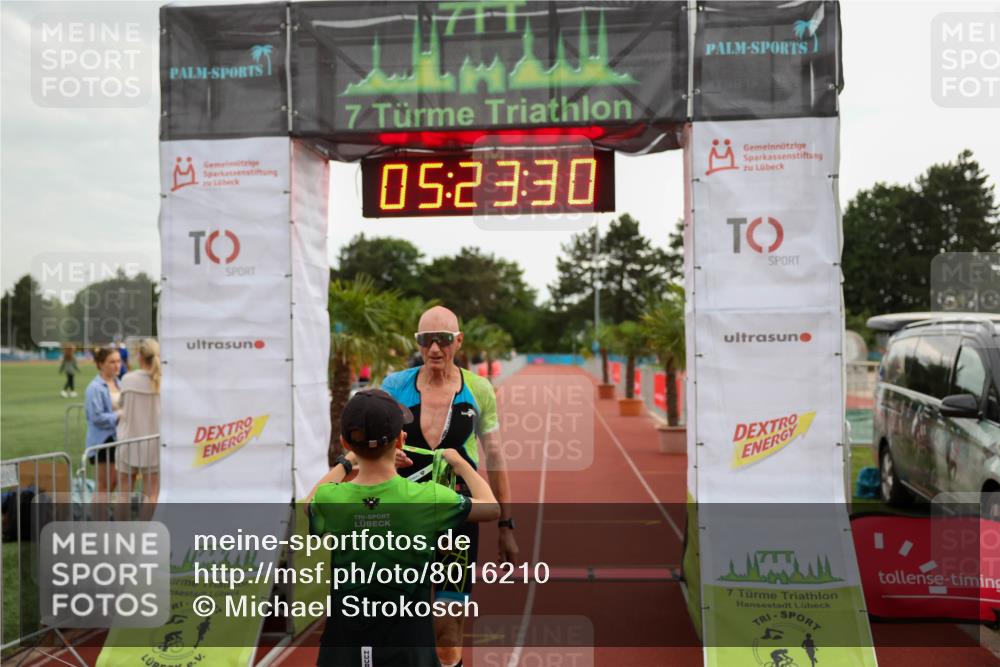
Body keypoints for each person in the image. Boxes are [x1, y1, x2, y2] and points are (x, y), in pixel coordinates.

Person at [306, 389, 499, 667]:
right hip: (409, 651)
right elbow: (491, 507)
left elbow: (310, 502)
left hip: (343, 649)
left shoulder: (331, 499)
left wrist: (349, 461)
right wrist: (461, 464)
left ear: (345, 441)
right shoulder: (427, 498)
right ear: (401, 439)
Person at [381, 306, 517, 667]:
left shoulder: (479, 389)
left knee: (447, 624)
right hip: (402, 523)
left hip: (457, 524)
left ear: (458, 341)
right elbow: (372, 449)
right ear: (419, 343)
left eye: (443, 340)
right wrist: (383, 457)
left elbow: (497, 458)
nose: (435, 350)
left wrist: (506, 525)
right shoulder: (394, 386)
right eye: (427, 341)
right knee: (399, 622)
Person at [116, 339, 161, 504]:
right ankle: (148, 530)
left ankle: (122, 530)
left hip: (129, 441)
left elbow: (120, 405)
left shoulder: (128, 379)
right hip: (153, 444)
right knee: (151, 494)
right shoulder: (164, 381)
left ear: (140, 357)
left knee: (124, 495)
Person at [85, 346, 122, 496]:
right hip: (102, 441)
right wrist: (118, 415)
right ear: (100, 364)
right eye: (112, 362)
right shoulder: (94, 388)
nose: (117, 365)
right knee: (103, 485)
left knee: (113, 482)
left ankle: (104, 515)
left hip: (118, 438)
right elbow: (97, 417)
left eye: (119, 361)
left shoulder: (120, 383)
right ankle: (97, 518)